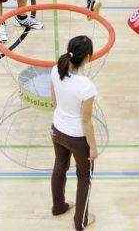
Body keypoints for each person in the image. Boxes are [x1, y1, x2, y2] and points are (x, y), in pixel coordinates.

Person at [50, 35, 98, 230]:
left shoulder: (55, 70)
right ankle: (80, 222)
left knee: (60, 166)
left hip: (57, 129)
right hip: (77, 138)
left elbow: (54, 102)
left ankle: (58, 207)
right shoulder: (86, 87)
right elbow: (86, 121)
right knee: (85, 177)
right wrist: (93, 147)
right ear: (88, 57)